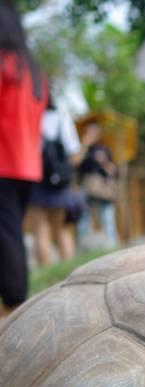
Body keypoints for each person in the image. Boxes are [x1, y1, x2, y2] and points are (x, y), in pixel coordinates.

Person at [0, 1, 46, 319]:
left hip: (3, 162)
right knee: (10, 234)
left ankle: (15, 309)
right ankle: (15, 304)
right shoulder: (32, 70)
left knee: (7, 239)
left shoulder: (4, 64)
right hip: (27, 165)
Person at [24, 96, 81, 266]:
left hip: (35, 177)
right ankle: (70, 273)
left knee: (40, 230)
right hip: (60, 181)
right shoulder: (62, 117)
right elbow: (74, 153)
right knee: (62, 229)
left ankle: (47, 278)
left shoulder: (30, 114)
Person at [76, 120, 119, 249]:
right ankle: (83, 247)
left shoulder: (104, 149)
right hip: (85, 186)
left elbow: (113, 171)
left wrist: (104, 163)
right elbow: (75, 164)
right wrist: (84, 145)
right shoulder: (81, 149)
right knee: (83, 218)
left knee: (107, 217)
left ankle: (112, 246)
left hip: (102, 187)